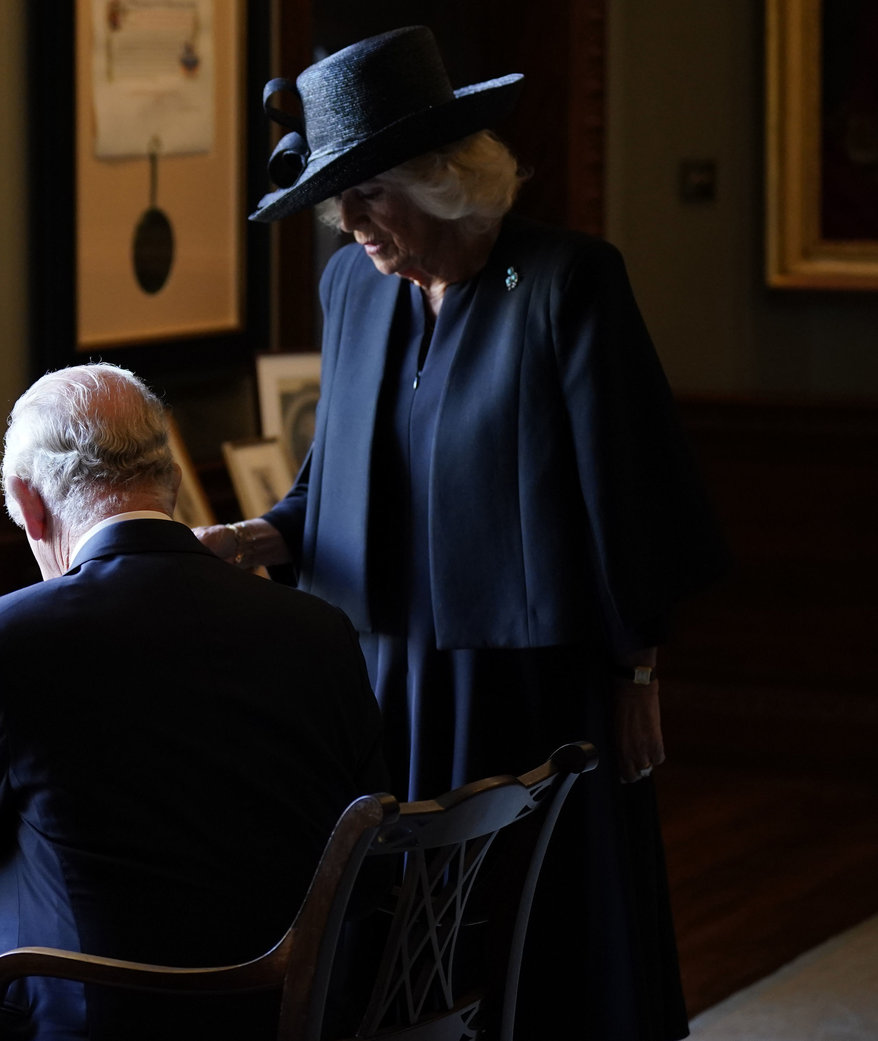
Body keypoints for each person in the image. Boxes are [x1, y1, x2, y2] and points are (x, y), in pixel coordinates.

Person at [194, 26, 730, 1041]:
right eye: (334, 197)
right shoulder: (353, 288)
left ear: (443, 180)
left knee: (542, 935)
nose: (346, 221)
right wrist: (259, 537)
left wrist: (638, 676)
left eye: (370, 191)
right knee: (400, 943)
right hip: (384, 677)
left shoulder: (565, 284)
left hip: (525, 688)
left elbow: (625, 498)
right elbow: (340, 476)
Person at [0, 363, 387, 1041]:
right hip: (294, 1021)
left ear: (28, 502)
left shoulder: (7, 640)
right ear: (168, 480)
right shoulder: (318, 628)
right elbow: (374, 843)